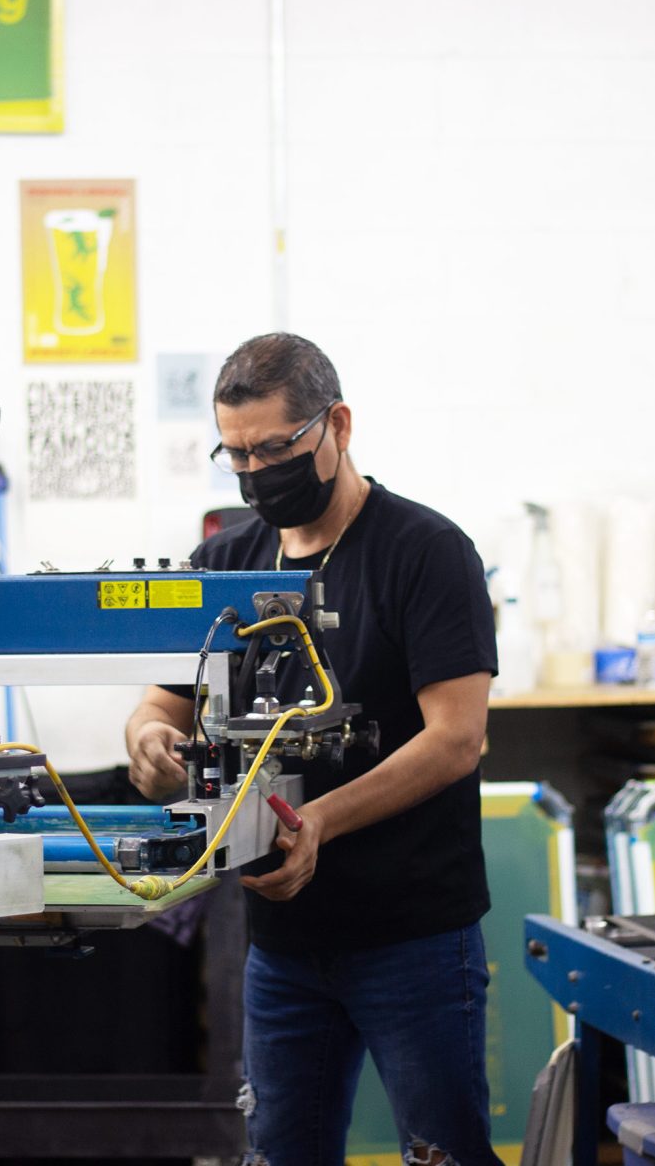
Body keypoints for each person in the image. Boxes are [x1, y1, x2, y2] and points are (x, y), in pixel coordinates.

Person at [124, 333, 500, 1166]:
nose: (258, 472)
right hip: (284, 948)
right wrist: (149, 741)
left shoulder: (425, 553)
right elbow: (156, 702)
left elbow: (457, 738)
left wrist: (320, 820)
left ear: (338, 425)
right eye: (238, 455)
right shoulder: (224, 563)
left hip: (414, 939)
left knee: (444, 1154)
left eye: (275, 448)